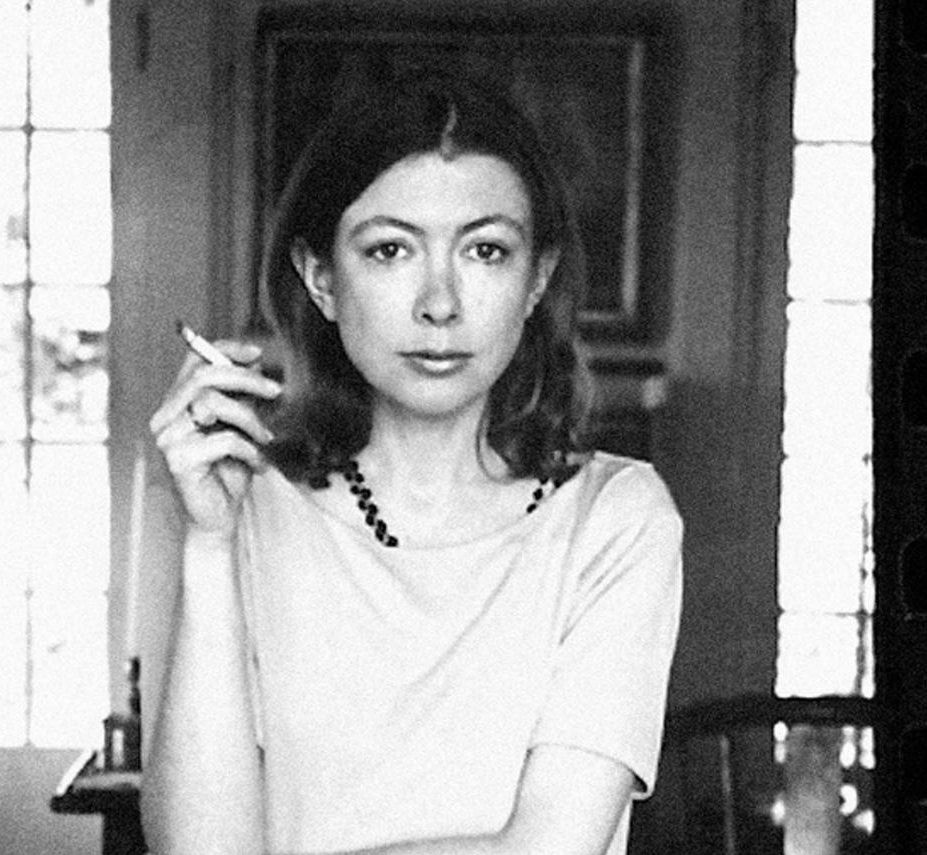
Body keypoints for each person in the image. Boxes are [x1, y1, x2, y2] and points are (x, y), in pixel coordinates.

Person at [142, 64, 683, 855]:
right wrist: (209, 543)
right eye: (391, 249)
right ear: (321, 279)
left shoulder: (617, 519)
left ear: (537, 280)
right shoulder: (241, 508)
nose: (440, 303)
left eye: (486, 251)